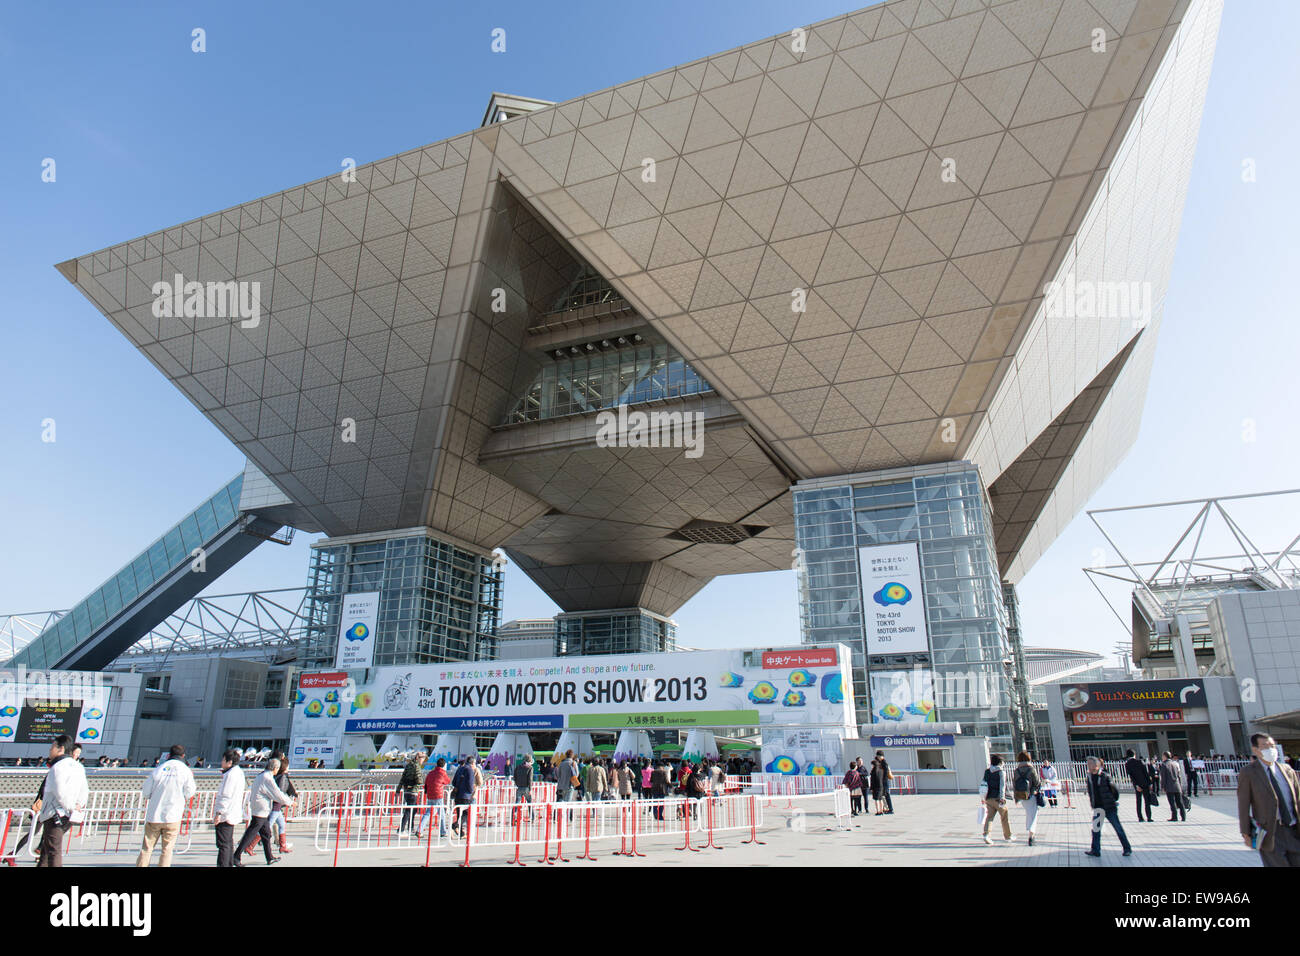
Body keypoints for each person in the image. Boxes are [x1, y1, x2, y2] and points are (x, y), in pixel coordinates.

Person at [1237, 733, 1300, 866]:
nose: (1270, 749)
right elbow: (1243, 804)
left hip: (1293, 829)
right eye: (1265, 746)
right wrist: (1246, 832)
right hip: (1270, 832)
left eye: (1272, 746)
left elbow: (1298, 799)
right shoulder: (1249, 773)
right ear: (1255, 749)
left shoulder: (1287, 770)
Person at [136, 744, 198, 867]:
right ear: (183, 755)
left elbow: (146, 791)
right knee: (167, 850)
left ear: (169, 755)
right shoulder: (185, 770)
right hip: (173, 815)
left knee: (147, 848)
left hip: (154, 814)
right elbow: (190, 792)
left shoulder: (159, 769)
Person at [36, 735, 88, 868]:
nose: (50, 750)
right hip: (69, 814)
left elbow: (59, 791)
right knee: (47, 850)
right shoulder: (78, 767)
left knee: (53, 851)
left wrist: (69, 806)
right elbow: (84, 790)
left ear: (61, 749)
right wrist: (77, 806)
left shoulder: (58, 767)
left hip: (55, 813)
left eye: (52, 747)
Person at [234, 758, 295, 865]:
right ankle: (236, 855)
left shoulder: (262, 775)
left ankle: (269, 857)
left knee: (266, 834)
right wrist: (290, 802)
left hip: (260, 809)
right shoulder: (268, 778)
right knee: (251, 833)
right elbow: (277, 794)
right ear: (275, 768)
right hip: (261, 810)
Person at [1084, 756, 1132, 858]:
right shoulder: (1089, 777)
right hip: (1098, 808)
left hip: (1109, 807)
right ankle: (1095, 850)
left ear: (1096, 765)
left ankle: (1127, 848)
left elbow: (1114, 791)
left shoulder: (1105, 776)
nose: (1088, 765)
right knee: (1096, 830)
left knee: (1118, 828)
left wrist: (1112, 801)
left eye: (1090, 764)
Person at [212, 748, 246, 867]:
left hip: (226, 814)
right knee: (228, 842)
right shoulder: (238, 773)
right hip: (232, 812)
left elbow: (225, 795)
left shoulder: (230, 775)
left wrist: (219, 813)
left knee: (223, 844)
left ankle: (224, 865)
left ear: (229, 762)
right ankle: (229, 863)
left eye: (223, 760)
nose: (222, 762)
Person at [416, 758, 451, 840]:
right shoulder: (442, 773)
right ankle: (443, 831)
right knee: (441, 813)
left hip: (430, 794)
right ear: (444, 765)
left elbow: (426, 782)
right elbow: (447, 781)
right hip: (438, 795)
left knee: (428, 813)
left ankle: (419, 830)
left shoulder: (431, 773)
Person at [980, 754, 1012, 844]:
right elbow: (1002, 786)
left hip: (988, 797)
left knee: (989, 817)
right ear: (1000, 762)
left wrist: (983, 797)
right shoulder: (1001, 772)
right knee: (1004, 816)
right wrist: (1002, 798)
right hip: (998, 798)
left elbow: (983, 784)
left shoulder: (987, 771)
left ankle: (986, 834)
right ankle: (1008, 836)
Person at [1012, 751, 1043, 845]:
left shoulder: (1016, 771)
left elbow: (1014, 785)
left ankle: (1030, 832)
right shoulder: (1031, 769)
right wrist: (1036, 790)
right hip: (1031, 795)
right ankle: (1031, 836)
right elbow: (1037, 782)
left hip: (1021, 795)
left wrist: (1016, 798)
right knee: (1033, 815)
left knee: (1029, 813)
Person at [450, 756, 479, 836]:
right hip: (465, 795)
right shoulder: (470, 770)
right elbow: (470, 783)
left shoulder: (460, 768)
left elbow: (454, 782)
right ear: (472, 763)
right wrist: (471, 791)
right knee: (465, 814)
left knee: (460, 813)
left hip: (458, 795)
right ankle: (455, 825)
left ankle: (461, 833)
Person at [1124, 749, 1154, 822]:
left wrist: (1136, 785)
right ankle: (1149, 817)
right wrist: (1150, 783)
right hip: (1145, 783)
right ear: (1134, 754)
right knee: (1146, 801)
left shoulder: (1127, 764)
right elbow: (1146, 773)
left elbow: (1131, 776)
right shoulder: (1140, 762)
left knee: (1138, 801)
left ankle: (1140, 817)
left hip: (1137, 785)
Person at [1159, 751, 1187, 822]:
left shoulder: (1164, 765)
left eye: (1162, 756)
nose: (1162, 758)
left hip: (1169, 786)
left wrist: (1162, 786)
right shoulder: (1175, 764)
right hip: (1177, 785)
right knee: (1180, 802)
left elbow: (1163, 777)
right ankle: (1183, 816)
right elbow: (1179, 775)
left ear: (1165, 756)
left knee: (1172, 802)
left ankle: (1174, 817)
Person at [397, 753, 422, 833]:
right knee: (409, 810)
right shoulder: (417, 766)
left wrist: (398, 790)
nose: (423, 760)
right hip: (413, 791)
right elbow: (419, 779)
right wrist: (421, 782)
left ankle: (410, 827)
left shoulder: (408, 766)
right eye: (422, 758)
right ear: (418, 758)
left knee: (413, 809)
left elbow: (402, 778)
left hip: (406, 791)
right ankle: (401, 829)